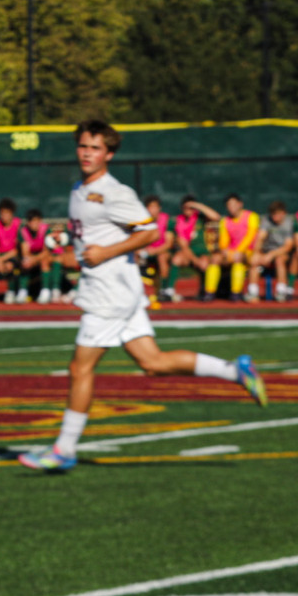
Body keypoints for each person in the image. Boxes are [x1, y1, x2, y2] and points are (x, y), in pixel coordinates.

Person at [18, 120, 267, 473]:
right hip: (116, 289)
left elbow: (149, 232)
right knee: (154, 362)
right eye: (83, 146)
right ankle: (234, 370)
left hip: (110, 294)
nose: (87, 153)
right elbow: (92, 239)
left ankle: (64, 449)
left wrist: (105, 253)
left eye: (95, 148)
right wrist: (66, 247)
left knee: (80, 368)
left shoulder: (114, 191)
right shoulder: (78, 189)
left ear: (109, 154)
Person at [204, 193, 261, 302]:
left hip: (248, 252)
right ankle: (209, 292)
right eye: (229, 205)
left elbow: (251, 236)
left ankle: (236, 293)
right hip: (231, 253)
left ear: (240, 204)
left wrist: (238, 251)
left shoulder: (252, 216)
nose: (231, 207)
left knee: (237, 258)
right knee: (215, 258)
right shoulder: (225, 221)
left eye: (234, 204)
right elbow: (223, 240)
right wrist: (225, 250)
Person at [254, 201, 298, 301]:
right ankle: (253, 291)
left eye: (277, 214)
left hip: (282, 252)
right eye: (273, 214)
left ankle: (281, 291)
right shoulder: (266, 220)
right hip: (266, 251)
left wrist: (271, 255)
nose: (274, 217)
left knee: (279, 260)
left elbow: (288, 246)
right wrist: (257, 253)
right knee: (255, 260)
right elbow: (260, 238)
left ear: (283, 213)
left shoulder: (289, 222)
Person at [140, 195, 174, 303]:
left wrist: (154, 251)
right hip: (146, 252)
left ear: (159, 208)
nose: (152, 210)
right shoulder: (141, 221)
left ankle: (163, 291)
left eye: (155, 207)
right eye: (150, 207)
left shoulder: (167, 220)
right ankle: (137, 291)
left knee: (162, 257)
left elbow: (168, 244)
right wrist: (142, 250)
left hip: (162, 252)